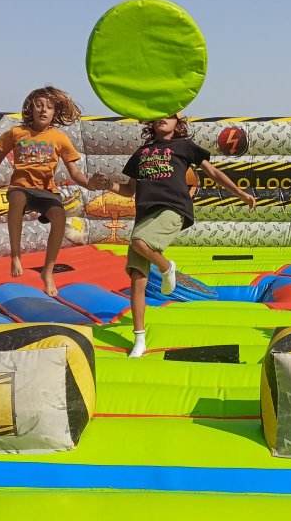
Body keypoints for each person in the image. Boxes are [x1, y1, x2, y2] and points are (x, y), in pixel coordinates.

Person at [93, 114, 255, 357]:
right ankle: (139, 340)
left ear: (178, 124)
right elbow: (128, 190)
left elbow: (212, 172)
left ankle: (167, 267)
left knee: (139, 242)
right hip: (145, 215)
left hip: (173, 209)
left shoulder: (184, 146)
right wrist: (107, 185)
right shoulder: (142, 153)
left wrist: (240, 193)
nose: (163, 119)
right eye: (158, 116)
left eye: (170, 116)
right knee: (137, 279)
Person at [0, 86, 94, 297]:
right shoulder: (17, 133)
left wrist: (90, 184)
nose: (43, 110)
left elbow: (75, 172)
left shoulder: (59, 138)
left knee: (59, 216)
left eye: (49, 107)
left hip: (46, 191)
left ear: (55, 113)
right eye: (38, 105)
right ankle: (15, 255)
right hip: (20, 187)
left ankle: (47, 272)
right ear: (31, 109)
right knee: (17, 199)